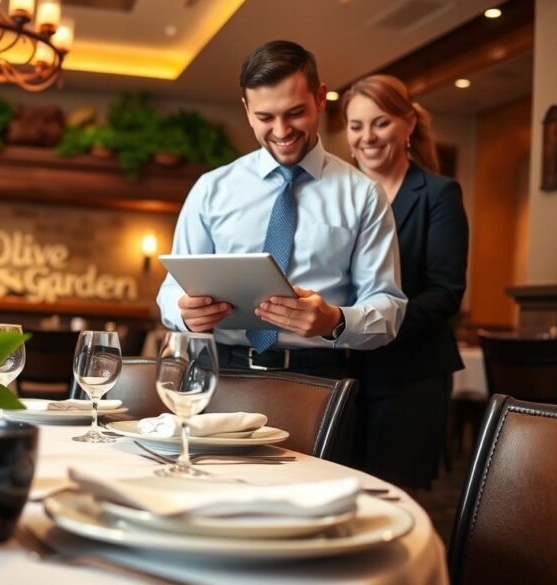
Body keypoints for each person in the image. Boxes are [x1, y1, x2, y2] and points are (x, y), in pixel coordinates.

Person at [156, 41, 407, 379]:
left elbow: (388, 310)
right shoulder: (210, 189)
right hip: (220, 371)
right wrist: (184, 312)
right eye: (264, 117)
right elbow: (171, 290)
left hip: (319, 379)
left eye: (294, 113)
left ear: (320, 98)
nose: (281, 131)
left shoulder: (363, 195)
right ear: (246, 110)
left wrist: (334, 320)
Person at [342, 74, 469, 489]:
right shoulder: (334, 192)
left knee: (391, 499)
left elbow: (446, 294)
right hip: (339, 371)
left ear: (408, 123)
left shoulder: (438, 194)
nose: (367, 137)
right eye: (356, 126)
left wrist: (372, 325)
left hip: (410, 377)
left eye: (380, 123)